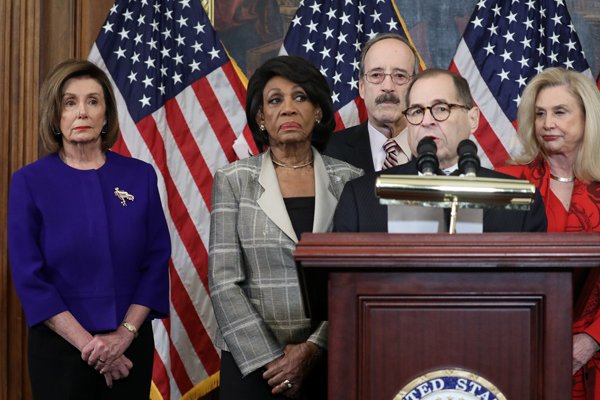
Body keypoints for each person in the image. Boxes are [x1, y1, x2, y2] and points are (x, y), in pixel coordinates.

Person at [7, 60, 170, 398]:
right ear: (56, 117)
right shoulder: (29, 182)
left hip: (130, 347)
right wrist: (94, 349)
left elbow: (155, 264)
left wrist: (123, 336)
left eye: (92, 101)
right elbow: (29, 277)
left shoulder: (140, 176)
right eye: (70, 103)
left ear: (106, 115)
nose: (82, 112)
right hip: (60, 352)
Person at [208, 55, 362, 400]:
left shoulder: (350, 181)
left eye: (300, 97)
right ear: (261, 117)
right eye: (275, 100)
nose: (288, 109)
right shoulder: (233, 180)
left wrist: (311, 349)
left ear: (318, 111)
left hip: (327, 357)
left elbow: (353, 277)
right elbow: (223, 280)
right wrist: (273, 360)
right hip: (253, 364)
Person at [333, 68, 547, 233]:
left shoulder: (520, 200)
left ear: (472, 119)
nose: (427, 121)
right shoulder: (361, 198)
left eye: (441, 109)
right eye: (416, 111)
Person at [495, 67, 600, 399]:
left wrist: (593, 339)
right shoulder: (507, 183)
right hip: (521, 347)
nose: (547, 123)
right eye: (539, 114)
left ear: (587, 117)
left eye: (559, 112)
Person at [324, 32, 419, 172]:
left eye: (400, 76)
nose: (388, 87)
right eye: (376, 75)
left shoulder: (438, 150)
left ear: (415, 87)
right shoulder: (328, 152)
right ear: (362, 88)